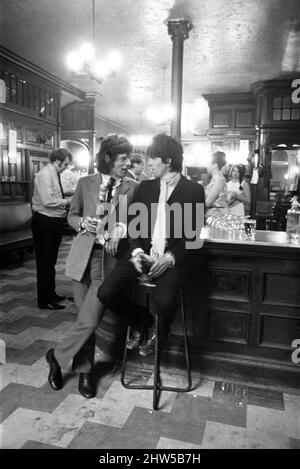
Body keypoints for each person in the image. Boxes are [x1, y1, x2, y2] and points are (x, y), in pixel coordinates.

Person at [45, 134, 138, 398]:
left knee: (90, 318)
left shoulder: (133, 187)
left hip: (107, 261)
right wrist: (82, 223)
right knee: (84, 319)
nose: (128, 162)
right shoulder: (86, 183)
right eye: (123, 158)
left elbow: (141, 223)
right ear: (107, 158)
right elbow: (72, 215)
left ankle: (56, 356)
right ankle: (85, 371)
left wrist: (121, 228)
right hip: (81, 258)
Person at [97, 133, 205, 359]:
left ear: (168, 161)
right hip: (141, 254)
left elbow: (193, 236)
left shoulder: (194, 190)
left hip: (171, 258)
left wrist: (169, 258)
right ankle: (141, 321)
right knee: (106, 293)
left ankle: (161, 335)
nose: (147, 164)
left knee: (164, 301)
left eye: (153, 159)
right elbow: (134, 228)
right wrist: (136, 251)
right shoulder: (145, 187)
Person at [31, 148, 73, 310]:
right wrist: (67, 202)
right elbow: (48, 201)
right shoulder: (45, 174)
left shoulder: (54, 173)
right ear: (58, 161)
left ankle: (51, 294)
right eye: (66, 164)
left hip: (52, 222)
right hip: (44, 223)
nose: (66, 167)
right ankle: (44, 300)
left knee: (51, 262)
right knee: (44, 263)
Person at [205, 151, 228, 216]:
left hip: (216, 215)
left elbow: (207, 203)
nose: (207, 166)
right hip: (214, 213)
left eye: (209, 163)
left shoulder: (219, 180)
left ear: (215, 164)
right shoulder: (217, 179)